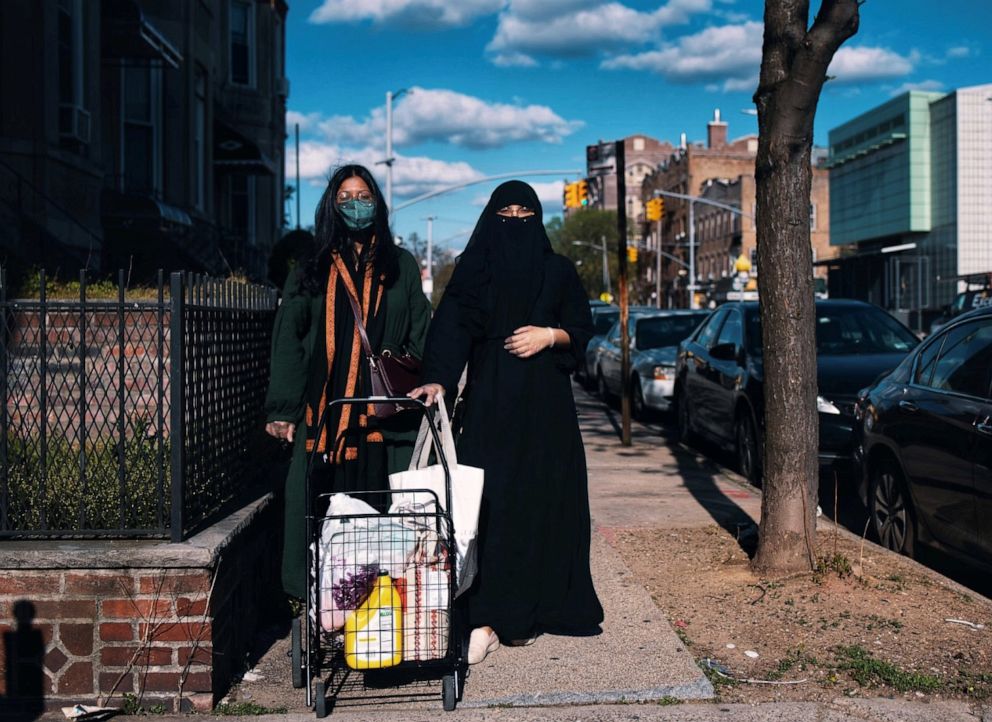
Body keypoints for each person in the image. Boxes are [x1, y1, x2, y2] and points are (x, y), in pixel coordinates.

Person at [409, 180, 604, 665]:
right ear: (490, 219)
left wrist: (549, 335)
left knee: (542, 505)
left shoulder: (558, 271)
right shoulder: (473, 271)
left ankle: (533, 611)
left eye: (525, 212)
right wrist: (437, 380)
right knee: (489, 509)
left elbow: (581, 329)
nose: (515, 221)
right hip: (490, 407)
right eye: (506, 213)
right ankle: (488, 618)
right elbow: (451, 329)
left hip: (547, 412)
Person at [264, 164, 432, 601]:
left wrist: (426, 381)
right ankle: (314, 603)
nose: (355, 204)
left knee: (392, 522)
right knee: (315, 513)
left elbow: (421, 329)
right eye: (344, 198)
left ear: (376, 202)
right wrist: (282, 409)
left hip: (387, 419)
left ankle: (390, 604)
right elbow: (290, 338)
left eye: (363, 195)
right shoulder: (310, 268)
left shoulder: (402, 265)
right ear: (331, 207)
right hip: (325, 420)